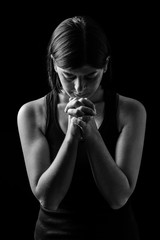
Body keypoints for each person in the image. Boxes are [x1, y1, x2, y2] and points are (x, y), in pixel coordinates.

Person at [17, 15, 146, 240]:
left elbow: (118, 198)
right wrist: (71, 135)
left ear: (105, 66)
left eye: (90, 76)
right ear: (54, 65)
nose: (79, 87)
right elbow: (48, 199)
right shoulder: (32, 113)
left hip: (116, 234)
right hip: (52, 235)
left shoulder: (130, 111)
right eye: (69, 76)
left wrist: (92, 133)